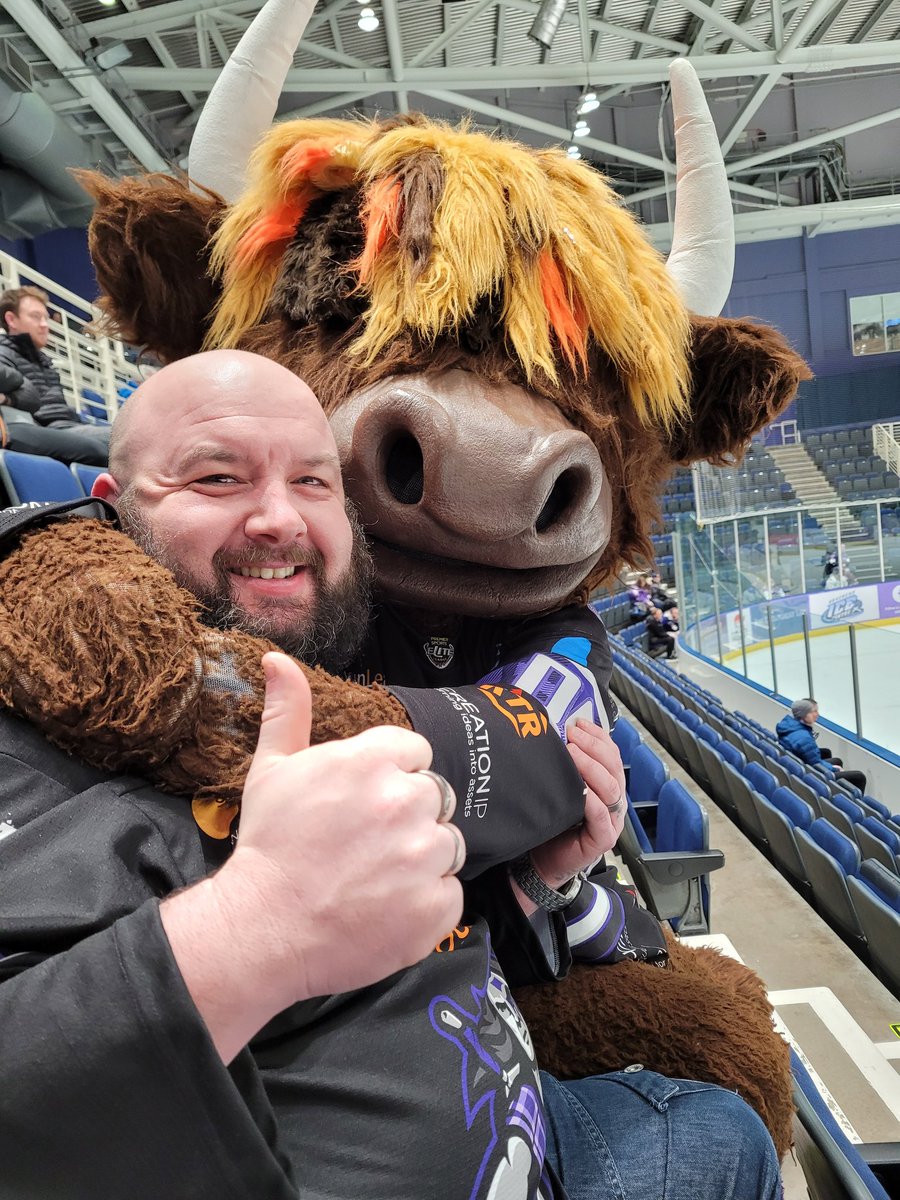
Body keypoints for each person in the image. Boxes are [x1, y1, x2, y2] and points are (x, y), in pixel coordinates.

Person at [0, 350, 782, 1199]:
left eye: (312, 482)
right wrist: (253, 927)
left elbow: (437, 932)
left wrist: (536, 880)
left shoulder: (353, 667)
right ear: (112, 511)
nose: (279, 520)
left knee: (720, 1129)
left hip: (545, 1136)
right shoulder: (50, 728)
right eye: (218, 478)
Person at [0, 285, 110, 466]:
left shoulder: (44, 360)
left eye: (46, 318)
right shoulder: (3, 352)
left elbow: (30, 395)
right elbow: (30, 399)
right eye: (36, 317)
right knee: (123, 441)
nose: (44, 325)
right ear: (11, 319)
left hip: (69, 427)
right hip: (45, 429)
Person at [776, 698, 868, 792]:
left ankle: (837, 788)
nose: (817, 714)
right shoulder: (803, 737)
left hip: (801, 764)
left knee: (832, 757)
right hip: (812, 774)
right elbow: (815, 764)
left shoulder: (788, 725)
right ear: (803, 714)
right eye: (814, 711)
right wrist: (834, 769)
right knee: (859, 776)